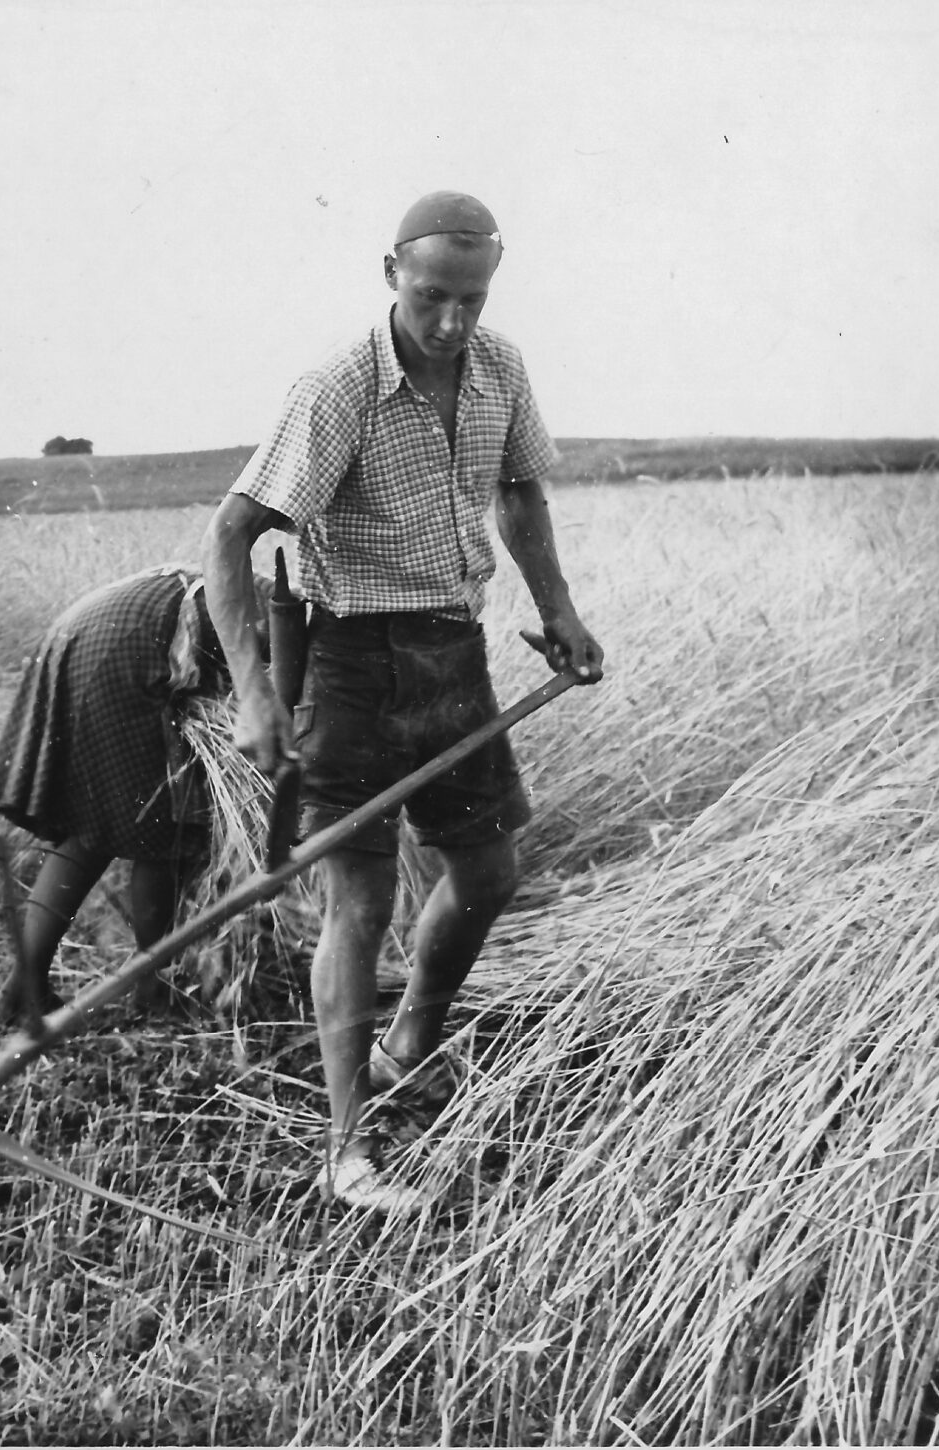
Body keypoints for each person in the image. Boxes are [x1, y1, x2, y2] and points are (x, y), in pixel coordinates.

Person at [200, 191, 605, 1216]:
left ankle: (409, 1040)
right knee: (362, 900)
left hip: (451, 654)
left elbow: (520, 490)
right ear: (392, 272)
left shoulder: (502, 367)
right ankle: (347, 1152)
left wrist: (557, 610)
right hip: (350, 666)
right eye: (433, 295)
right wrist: (255, 693)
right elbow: (229, 535)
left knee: (489, 864)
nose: (452, 321)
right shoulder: (337, 389)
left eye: (472, 298)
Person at [0, 565, 251, 1030]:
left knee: (95, 830)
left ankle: (22, 989)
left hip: (92, 636)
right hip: (119, 653)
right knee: (157, 830)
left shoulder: (275, 602)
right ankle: (153, 990)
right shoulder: (294, 623)